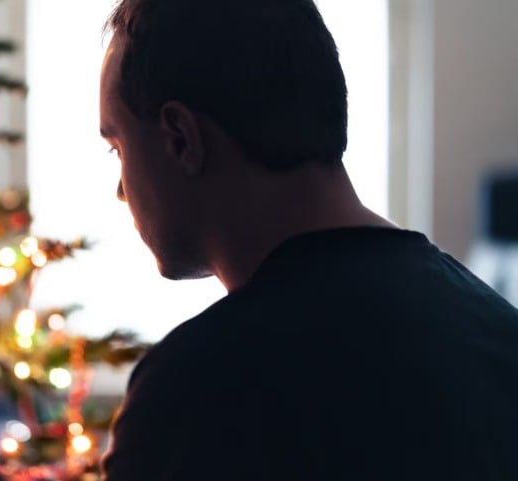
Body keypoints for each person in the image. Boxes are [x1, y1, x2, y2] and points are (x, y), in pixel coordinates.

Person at [98, 0, 518, 479]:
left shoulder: (196, 395)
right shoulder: (499, 336)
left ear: (180, 138)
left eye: (118, 148)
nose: (120, 191)